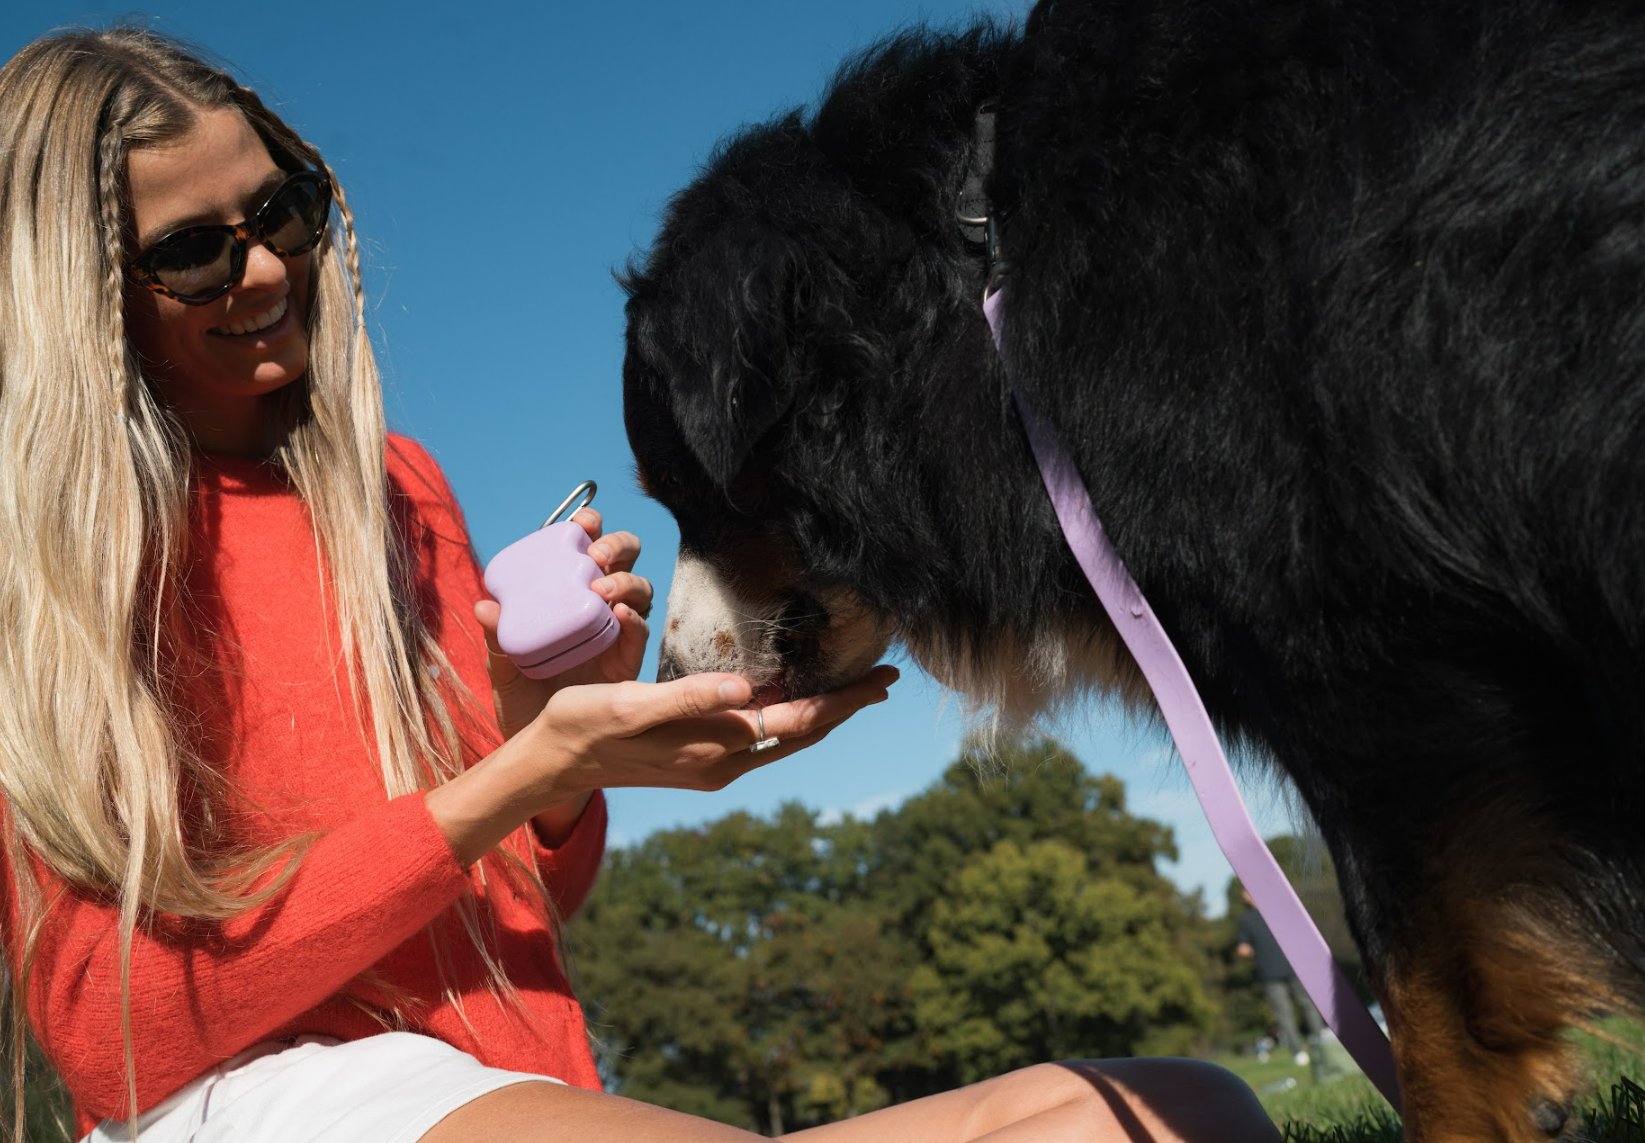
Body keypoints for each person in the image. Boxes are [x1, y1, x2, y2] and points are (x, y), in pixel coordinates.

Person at [0, 25, 1283, 1143]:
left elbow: (528, 898)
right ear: (84, 292)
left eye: (280, 211)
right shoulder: (50, 569)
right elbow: (113, 1032)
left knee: (1187, 1111)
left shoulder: (396, 490)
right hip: (264, 1101)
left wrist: (541, 741)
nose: (270, 272)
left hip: (503, 1072)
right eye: (194, 254)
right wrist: (525, 773)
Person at [1235, 891, 1329, 1067]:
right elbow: (1244, 948)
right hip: (1279, 972)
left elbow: (1244, 949)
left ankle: (1310, 1047)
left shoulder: (1263, 915)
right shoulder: (1253, 918)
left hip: (1287, 969)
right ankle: (1309, 1047)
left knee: (1295, 1009)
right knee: (1295, 1010)